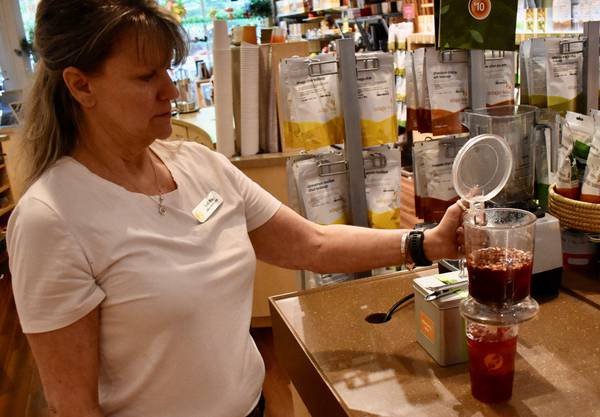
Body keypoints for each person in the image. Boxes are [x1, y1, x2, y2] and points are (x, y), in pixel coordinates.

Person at [7, 1, 465, 417]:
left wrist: (426, 241)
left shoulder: (200, 165)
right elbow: (73, 405)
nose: (170, 89)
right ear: (80, 85)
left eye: (167, 70)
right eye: (146, 77)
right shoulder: (51, 220)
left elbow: (313, 243)